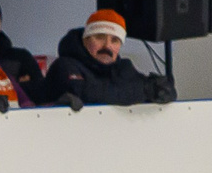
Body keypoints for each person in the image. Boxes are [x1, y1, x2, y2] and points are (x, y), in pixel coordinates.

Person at [36, 10, 176, 107]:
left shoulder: (123, 67)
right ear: (85, 39)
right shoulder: (64, 66)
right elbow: (89, 94)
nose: (107, 46)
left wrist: (164, 90)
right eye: (99, 37)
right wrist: (145, 91)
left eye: (114, 40)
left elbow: (159, 89)